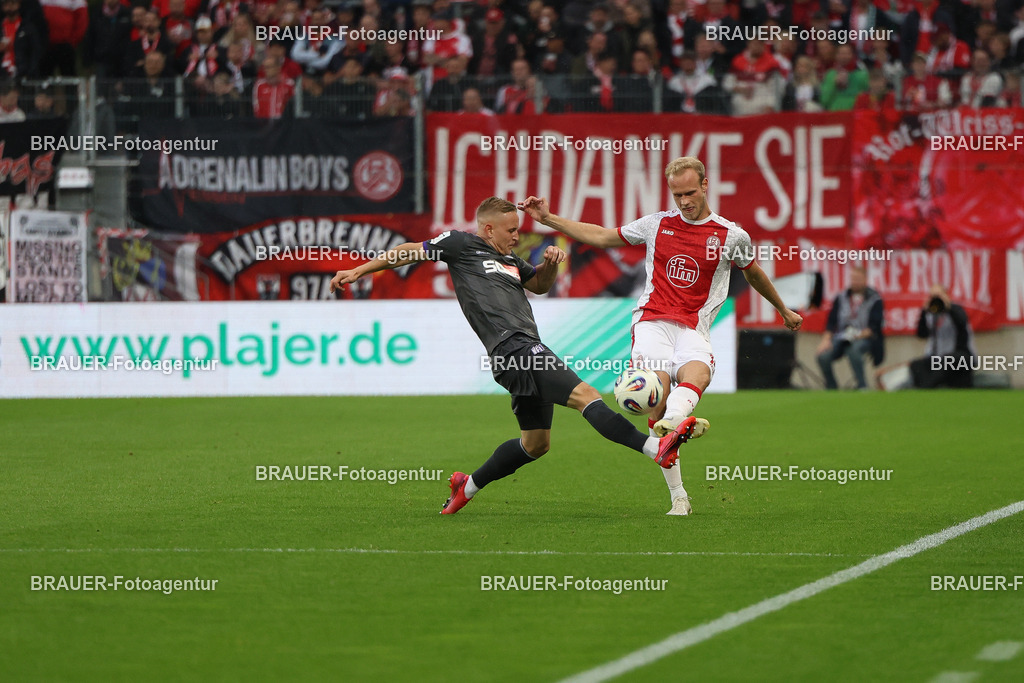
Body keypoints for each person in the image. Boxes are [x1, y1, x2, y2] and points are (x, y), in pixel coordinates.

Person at [329, 197, 698, 515]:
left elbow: (538, 285)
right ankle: (656, 449)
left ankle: (466, 486)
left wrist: (550, 264)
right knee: (588, 396)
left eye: (517, 229)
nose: (517, 236)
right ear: (488, 230)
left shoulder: (512, 262)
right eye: (510, 230)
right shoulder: (460, 245)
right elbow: (409, 251)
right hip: (515, 348)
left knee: (536, 444)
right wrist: (360, 269)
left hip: (517, 353)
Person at [519, 157, 803, 515]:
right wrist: (548, 219)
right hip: (653, 320)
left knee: (697, 373)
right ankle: (678, 486)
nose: (683, 201)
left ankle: (672, 424)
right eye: (676, 194)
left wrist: (783, 309)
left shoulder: (732, 235)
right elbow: (604, 236)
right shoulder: (657, 224)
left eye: (689, 193)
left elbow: (753, 273)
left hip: (694, 327)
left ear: (704, 185)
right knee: (657, 393)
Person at [816, 266, 884, 391]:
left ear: (865, 280)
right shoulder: (841, 297)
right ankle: (832, 388)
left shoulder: (875, 299)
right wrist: (826, 340)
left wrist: (857, 335)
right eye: (853, 279)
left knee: (853, 350)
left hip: (864, 338)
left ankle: (862, 386)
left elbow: (874, 326)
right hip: (842, 337)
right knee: (823, 356)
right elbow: (831, 322)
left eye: (858, 279)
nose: (855, 282)